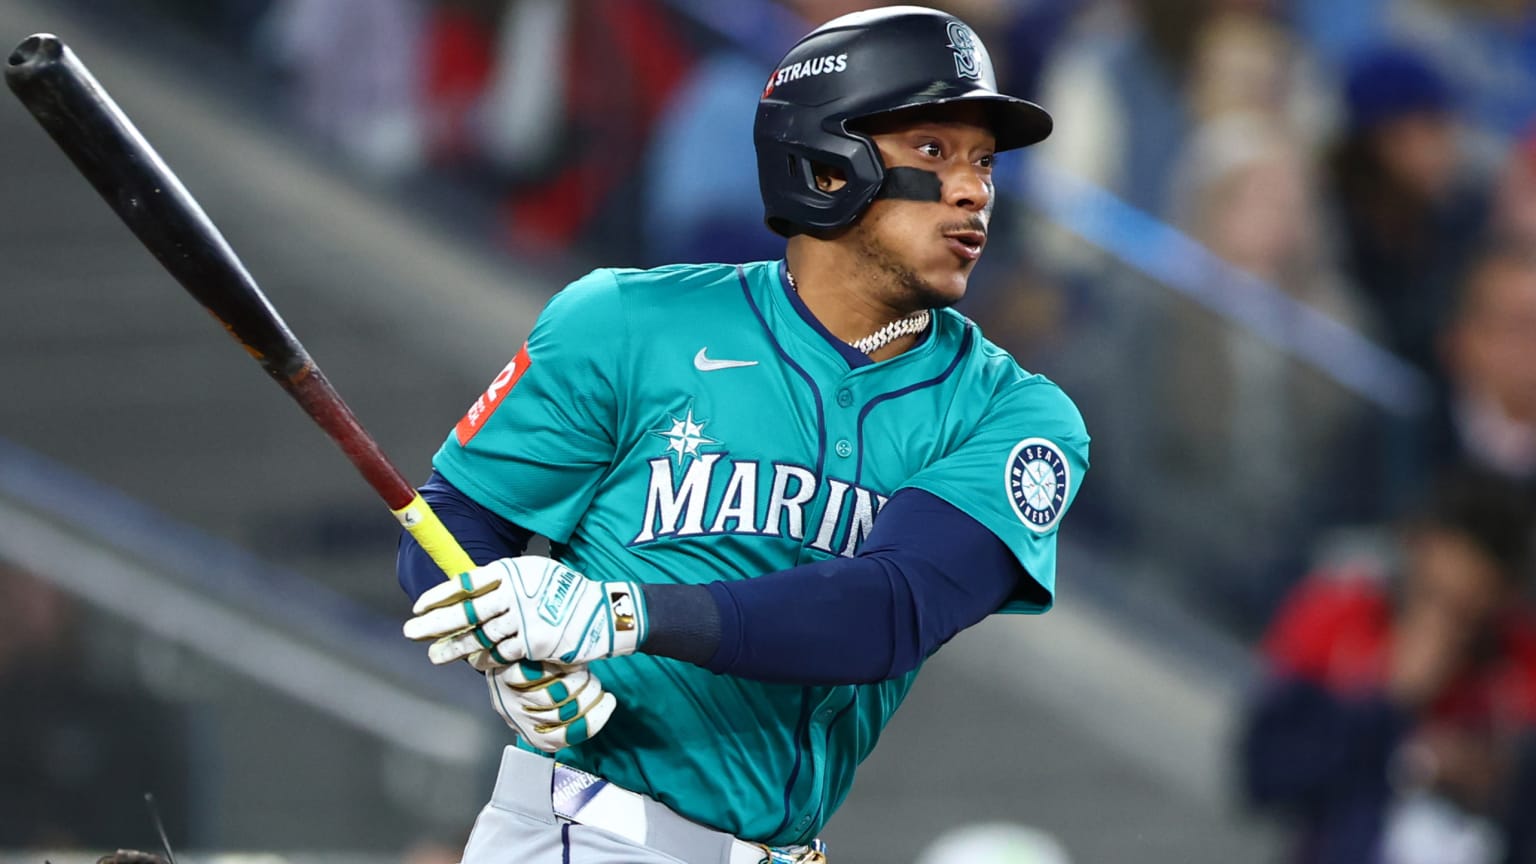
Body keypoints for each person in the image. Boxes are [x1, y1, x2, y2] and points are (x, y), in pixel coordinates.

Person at [395, 6, 1089, 863]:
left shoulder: (1016, 416)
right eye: (933, 150)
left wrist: (612, 615)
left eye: (984, 160)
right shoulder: (625, 321)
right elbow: (452, 520)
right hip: (588, 833)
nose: (975, 189)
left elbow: (891, 611)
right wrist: (506, 652)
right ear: (828, 163)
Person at [1239, 469, 1536, 864]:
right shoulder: (1340, 615)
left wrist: (1499, 783)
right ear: (1414, 550)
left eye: (1466, 614)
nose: (1443, 629)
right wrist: (1387, 703)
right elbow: (1264, 776)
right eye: (1432, 595)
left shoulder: (1518, 668)